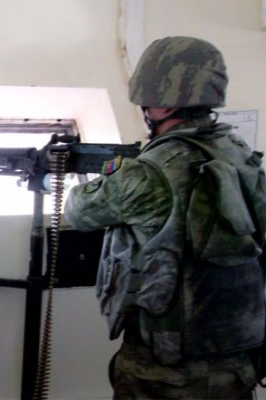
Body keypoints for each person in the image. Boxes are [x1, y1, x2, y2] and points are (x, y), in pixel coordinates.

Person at [63, 36, 266, 399]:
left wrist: (106, 175)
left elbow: (78, 212)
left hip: (168, 371)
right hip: (237, 359)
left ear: (162, 102)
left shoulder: (149, 172)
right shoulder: (237, 152)